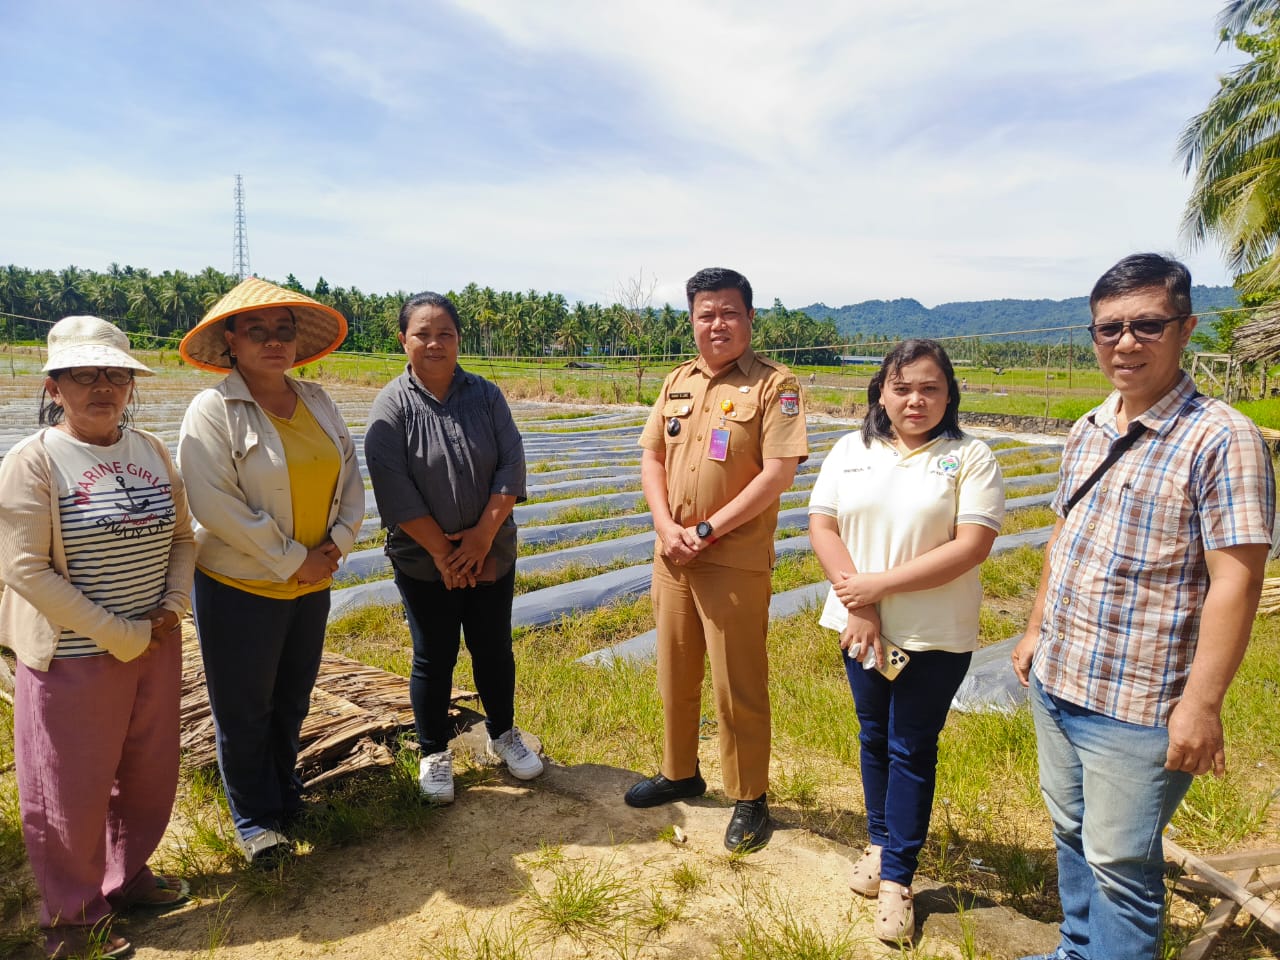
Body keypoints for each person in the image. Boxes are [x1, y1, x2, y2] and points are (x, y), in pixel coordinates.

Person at [1012, 254, 1275, 960]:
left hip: (1139, 703)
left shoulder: (1221, 438)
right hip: (1060, 679)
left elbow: (1237, 583)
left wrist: (1202, 705)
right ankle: (1077, 949)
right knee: (1073, 833)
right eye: (1109, 329)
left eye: (1147, 325)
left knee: (1122, 864)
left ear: (1184, 328)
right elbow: (1065, 536)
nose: (1125, 343)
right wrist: (1034, 629)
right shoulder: (1088, 428)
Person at [0, 316, 194, 959]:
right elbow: (24, 568)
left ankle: (125, 876)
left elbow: (183, 537)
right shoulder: (33, 461)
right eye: (85, 375)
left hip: (152, 644)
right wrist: (116, 633)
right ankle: (71, 922)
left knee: (145, 773)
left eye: (115, 374)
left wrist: (171, 607)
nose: (103, 387)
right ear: (54, 386)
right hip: (74, 656)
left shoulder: (150, 450)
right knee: (69, 790)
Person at [808, 339, 1004, 941]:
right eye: (902, 388)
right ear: (881, 393)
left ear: (949, 395)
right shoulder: (852, 450)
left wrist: (875, 588)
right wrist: (861, 605)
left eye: (929, 388)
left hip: (934, 635)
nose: (915, 400)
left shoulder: (969, 457)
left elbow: (970, 547)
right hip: (860, 627)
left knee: (911, 747)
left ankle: (898, 879)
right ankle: (879, 841)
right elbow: (823, 525)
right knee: (873, 735)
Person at [177, 278, 364, 863]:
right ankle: (255, 819)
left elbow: (350, 476)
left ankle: (286, 795)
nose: (273, 341)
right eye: (256, 331)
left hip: (312, 584)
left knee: (291, 699)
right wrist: (293, 559)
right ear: (231, 341)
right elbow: (215, 504)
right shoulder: (214, 411)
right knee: (243, 708)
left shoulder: (318, 400)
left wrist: (336, 545)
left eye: (283, 330)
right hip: (240, 588)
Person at [624, 267, 808, 853]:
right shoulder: (677, 380)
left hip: (733, 557)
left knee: (738, 682)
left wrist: (706, 530)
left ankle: (750, 795)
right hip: (673, 555)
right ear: (692, 320)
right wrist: (665, 526)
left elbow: (778, 474)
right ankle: (680, 772)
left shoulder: (774, 385)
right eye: (706, 314)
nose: (717, 324)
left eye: (730, 312)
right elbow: (653, 457)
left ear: (750, 318)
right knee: (674, 672)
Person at [364, 291, 542, 804]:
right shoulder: (392, 406)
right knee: (433, 654)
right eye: (423, 334)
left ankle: (502, 734)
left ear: (459, 339)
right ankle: (433, 751)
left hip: (491, 552)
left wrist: (482, 537)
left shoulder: (485, 395)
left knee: (493, 647)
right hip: (424, 560)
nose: (435, 343)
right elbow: (394, 487)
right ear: (404, 340)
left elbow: (511, 463)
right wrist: (444, 553)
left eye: (445, 333)